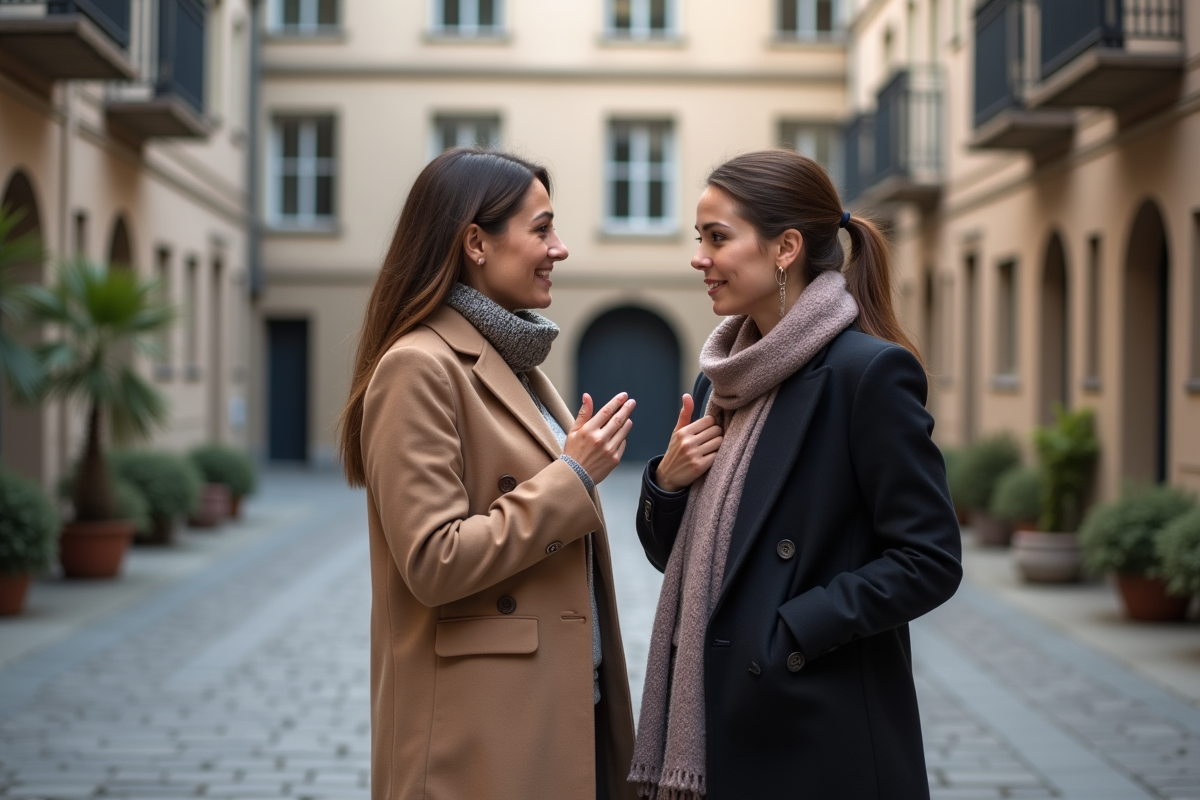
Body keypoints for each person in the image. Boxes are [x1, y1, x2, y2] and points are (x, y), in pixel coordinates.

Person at [629, 149, 963, 800]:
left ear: (785, 248)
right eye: (700, 239)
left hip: (816, 727)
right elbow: (682, 558)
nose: (700, 258)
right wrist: (666, 484)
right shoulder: (721, 379)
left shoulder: (865, 374)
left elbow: (930, 558)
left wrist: (796, 628)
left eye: (718, 238)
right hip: (725, 715)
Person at [339, 148, 638, 800]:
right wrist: (573, 479)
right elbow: (433, 560)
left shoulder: (514, 359)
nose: (559, 248)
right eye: (541, 229)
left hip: (555, 705)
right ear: (476, 241)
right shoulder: (418, 366)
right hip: (477, 735)